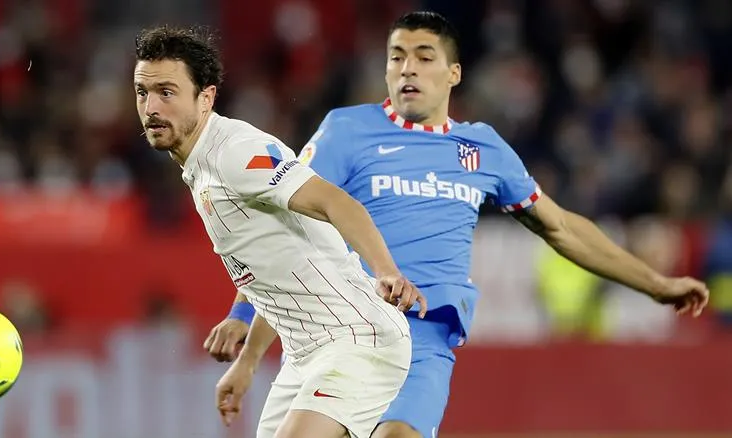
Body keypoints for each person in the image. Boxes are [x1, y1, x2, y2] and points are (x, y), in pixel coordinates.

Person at [203, 11, 710, 438]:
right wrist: (244, 328)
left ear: (453, 74)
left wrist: (656, 283)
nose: (408, 68)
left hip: (426, 339)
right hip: (347, 329)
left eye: (424, 57)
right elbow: (287, 227)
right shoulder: (346, 131)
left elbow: (561, 227)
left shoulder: (483, 148)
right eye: (397, 56)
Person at [133, 25, 429, 438]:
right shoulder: (199, 166)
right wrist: (248, 357)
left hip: (357, 339)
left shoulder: (235, 153)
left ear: (206, 97)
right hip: (304, 354)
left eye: (167, 91)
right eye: (142, 92)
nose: (151, 107)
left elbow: (335, 202)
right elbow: (273, 270)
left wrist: (386, 271)